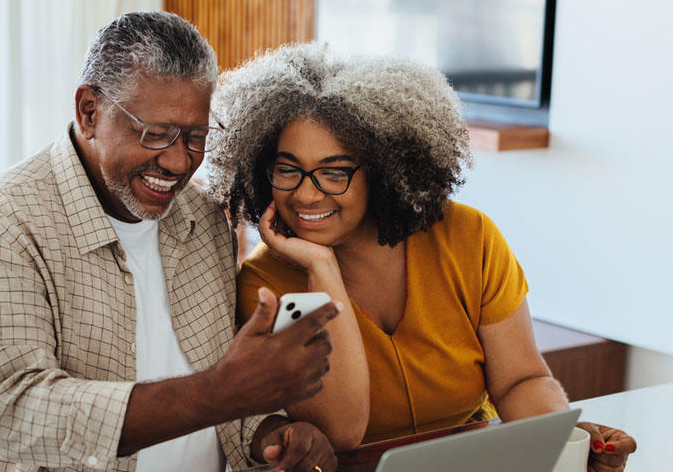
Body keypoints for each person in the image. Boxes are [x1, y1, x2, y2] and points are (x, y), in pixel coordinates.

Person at [0, 12, 342, 472]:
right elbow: (18, 417)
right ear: (89, 112)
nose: (178, 161)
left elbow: (225, 393)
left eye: (195, 137)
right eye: (156, 134)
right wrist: (219, 393)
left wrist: (272, 433)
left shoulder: (203, 219)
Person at [207, 42, 637, 472]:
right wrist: (321, 268)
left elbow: (520, 380)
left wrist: (561, 441)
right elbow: (339, 431)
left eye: (335, 172)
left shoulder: (469, 237)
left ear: (382, 169)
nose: (304, 193)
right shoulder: (266, 285)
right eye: (287, 169)